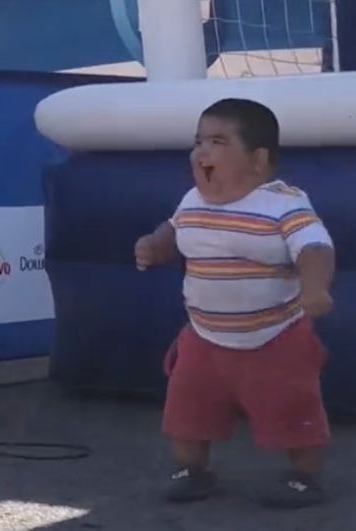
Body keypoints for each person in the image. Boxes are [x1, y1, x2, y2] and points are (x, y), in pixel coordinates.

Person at [134, 98, 336, 508]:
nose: (201, 151)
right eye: (197, 142)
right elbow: (173, 230)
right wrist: (154, 246)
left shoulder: (282, 203)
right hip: (204, 337)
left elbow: (314, 247)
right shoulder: (191, 200)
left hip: (275, 337)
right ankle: (192, 470)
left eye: (217, 142)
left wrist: (315, 287)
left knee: (292, 408)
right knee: (188, 408)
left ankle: (303, 476)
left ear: (258, 160)